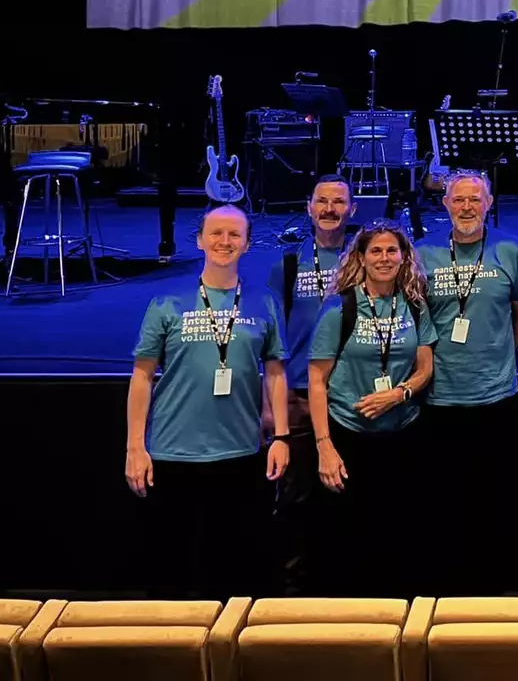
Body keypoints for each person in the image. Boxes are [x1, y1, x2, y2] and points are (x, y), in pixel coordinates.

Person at [125, 205, 290, 599]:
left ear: (248, 244)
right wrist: (135, 446)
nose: (225, 242)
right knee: (171, 571)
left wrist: (281, 435)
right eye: (216, 233)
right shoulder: (167, 302)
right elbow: (142, 376)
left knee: (232, 569)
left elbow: (276, 373)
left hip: (239, 453)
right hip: (172, 454)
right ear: (199, 240)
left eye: (235, 235)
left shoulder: (263, 301)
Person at [415, 170, 518, 595]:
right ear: (446, 205)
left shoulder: (510, 250)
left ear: (489, 204)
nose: (467, 207)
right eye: (458, 200)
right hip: (441, 397)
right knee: (447, 501)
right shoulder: (424, 253)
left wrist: (499, 351)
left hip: (496, 395)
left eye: (475, 200)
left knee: (498, 499)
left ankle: (498, 588)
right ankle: (450, 587)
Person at [308, 220, 436, 597]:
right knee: (350, 535)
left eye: (391, 251)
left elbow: (426, 366)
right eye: (375, 251)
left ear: (404, 257)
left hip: (402, 435)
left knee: (399, 531)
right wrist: (324, 446)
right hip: (349, 437)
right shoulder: (339, 310)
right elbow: (317, 381)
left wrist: (399, 394)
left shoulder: (414, 306)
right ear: (360, 258)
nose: (384, 258)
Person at [266, 175, 350, 595]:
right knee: (296, 500)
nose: (330, 209)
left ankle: (344, 588)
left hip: (351, 397)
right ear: (309, 207)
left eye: (339, 202)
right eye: (323, 201)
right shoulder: (287, 264)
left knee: (347, 497)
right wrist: (271, 405)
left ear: (352, 210)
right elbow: (270, 343)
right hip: (299, 394)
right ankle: (292, 595)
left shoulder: (365, 258)